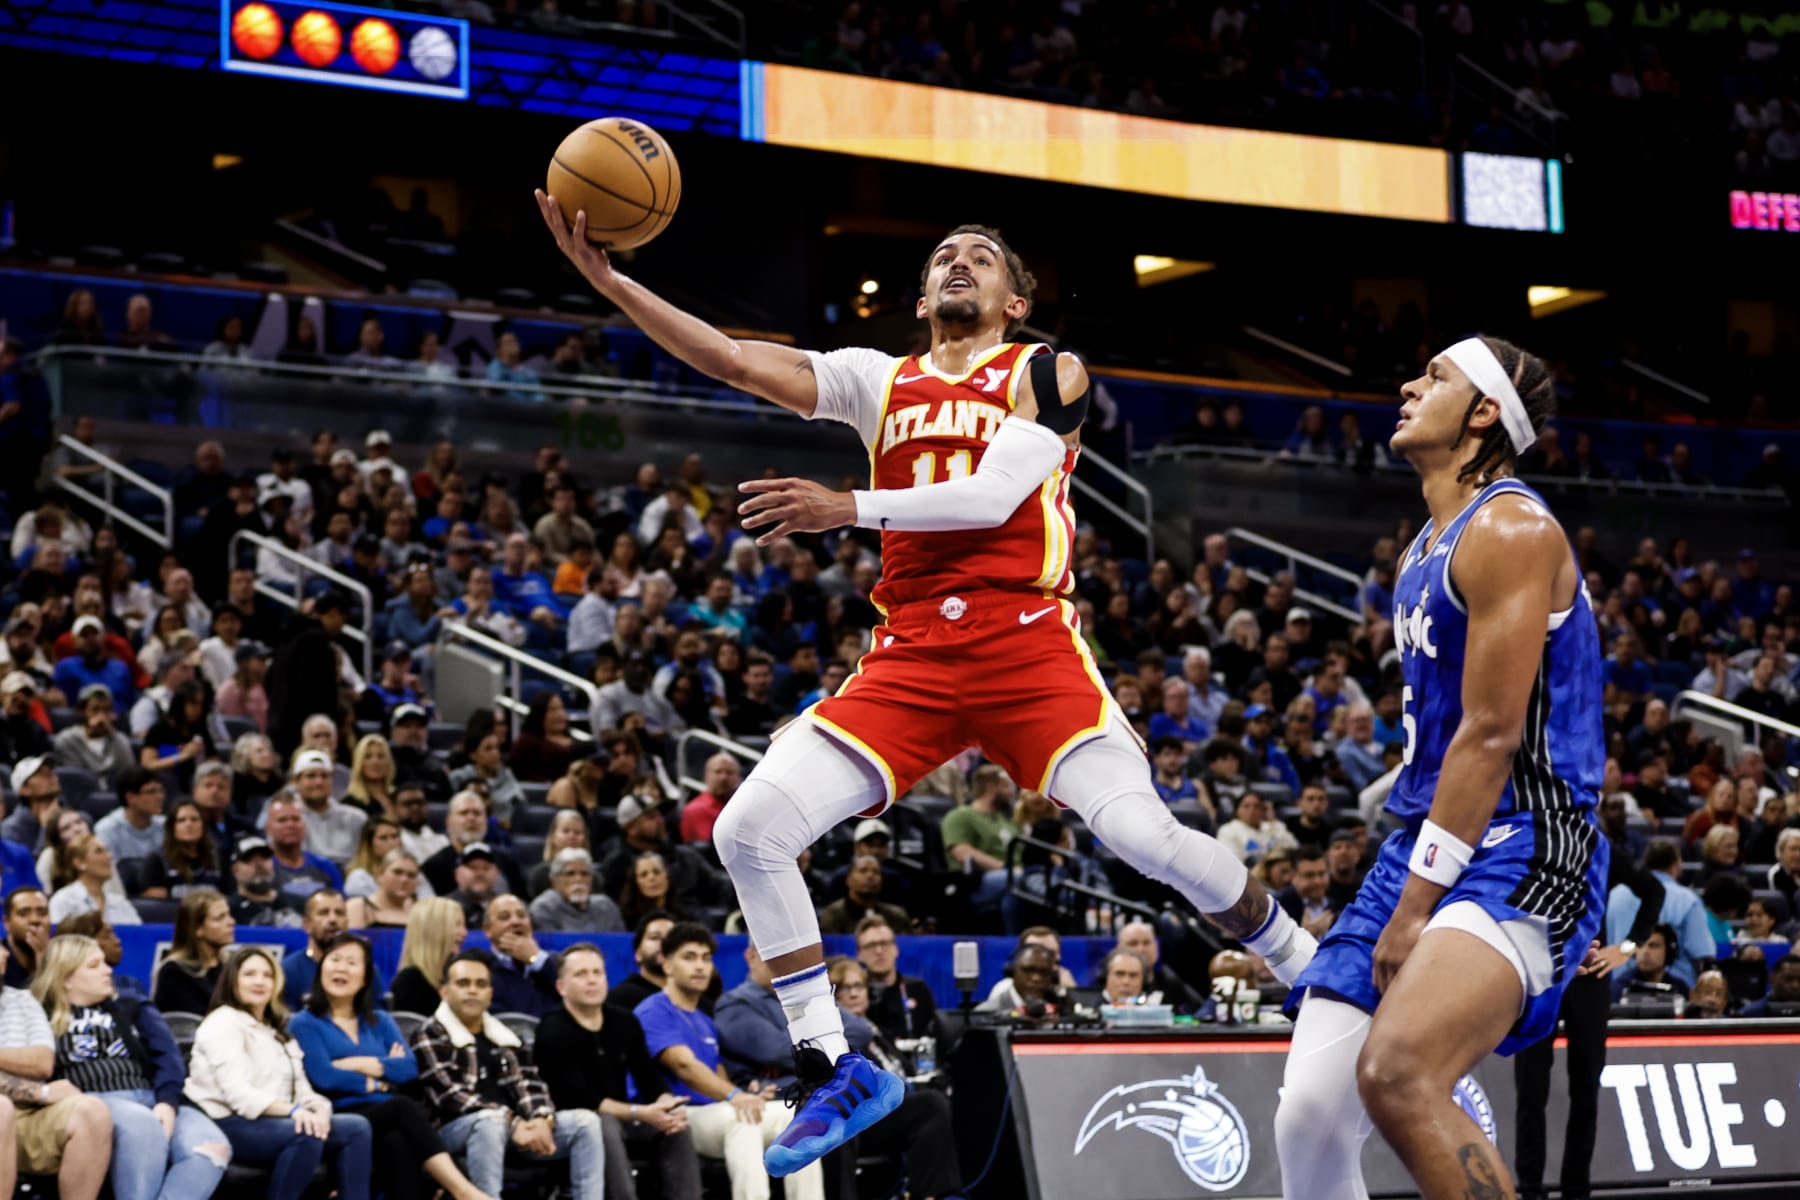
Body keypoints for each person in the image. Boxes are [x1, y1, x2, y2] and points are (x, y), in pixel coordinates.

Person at [538, 208, 1315, 1171]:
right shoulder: (879, 379)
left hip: (1025, 641)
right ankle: (836, 1064)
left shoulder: (1045, 370)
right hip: (911, 653)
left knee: (1139, 837)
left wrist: (846, 506)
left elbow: (991, 499)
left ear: (1014, 301)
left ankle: (1299, 961)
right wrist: (615, 286)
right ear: (920, 297)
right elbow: (736, 359)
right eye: (944, 256)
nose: (960, 263)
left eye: (983, 258)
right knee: (747, 831)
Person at [1275, 337, 1608, 1200]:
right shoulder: (1425, 542)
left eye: (1435, 378)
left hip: (1526, 843)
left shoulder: (1509, 526)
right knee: (1308, 1112)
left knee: (1399, 1073)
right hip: (1427, 837)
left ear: (1485, 412)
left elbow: (1493, 735)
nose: (1408, 386)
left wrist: (1417, 903)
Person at [719, 944, 962, 1200]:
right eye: (769, 952)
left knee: (930, 1105)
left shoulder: (807, 993)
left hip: (835, 1089)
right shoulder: (736, 1004)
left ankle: (932, 1196)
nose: (780, 958)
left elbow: (859, 1030)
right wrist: (822, 1041)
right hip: (792, 1100)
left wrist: (808, 1047)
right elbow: (775, 1049)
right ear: (750, 956)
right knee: (833, 1119)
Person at [288, 934, 496, 1200]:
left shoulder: (380, 1020)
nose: (341, 968)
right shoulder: (304, 1023)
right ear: (321, 969)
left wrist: (358, 1064)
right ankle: (463, 1190)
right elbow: (325, 1077)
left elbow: (409, 1068)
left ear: (365, 976)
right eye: (335, 960)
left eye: (351, 962)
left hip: (384, 1117)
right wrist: (381, 1077)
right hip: (337, 1113)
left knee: (397, 1142)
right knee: (403, 1107)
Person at [31, 933, 231, 1200]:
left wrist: (167, 1103)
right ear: (66, 978)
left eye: (104, 962)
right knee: (142, 1124)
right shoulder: (39, 1014)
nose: (107, 971)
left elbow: (168, 1057)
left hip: (152, 1098)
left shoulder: (130, 1003)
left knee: (213, 1149)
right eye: (94, 966)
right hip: (95, 1102)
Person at [632, 923, 824, 1200]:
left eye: (705, 958)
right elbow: (684, 1066)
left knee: (793, 1118)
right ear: (666, 964)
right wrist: (735, 1096)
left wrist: (750, 1094)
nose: (699, 966)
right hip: (673, 1117)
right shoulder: (654, 1009)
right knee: (742, 1119)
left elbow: (717, 1073)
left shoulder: (704, 1019)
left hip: (713, 1112)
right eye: (689, 957)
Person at [411, 948, 606, 1198]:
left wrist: (541, 1120)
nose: (473, 990)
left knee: (585, 1122)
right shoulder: (430, 1033)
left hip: (516, 1130)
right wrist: (512, 1122)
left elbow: (531, 1083)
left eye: (480, 984)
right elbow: (450, 1096)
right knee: (489, 1122)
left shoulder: (505, 1035)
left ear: (490, 994)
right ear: (445, 992)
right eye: (463, 983)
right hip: (454, 1132)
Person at [184, 946, 373, 1200]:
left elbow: (302, 1089)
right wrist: (295, 1112)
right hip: (227, 1121)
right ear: (233, 981)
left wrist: (320, 1110)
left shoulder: (276, 1029)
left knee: (357, 1127)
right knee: (306, 1133)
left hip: (276, 1119)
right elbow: (239, 1096)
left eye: (267, 975)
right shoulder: (222, 1022)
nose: (260, 981)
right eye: (250, 974)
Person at [535, 943, 702, 1200]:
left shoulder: (624, 1021)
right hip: (573, 1125)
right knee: (603, 1123)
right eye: (581, 974)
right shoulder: (552, 1029)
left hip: (625, 1117)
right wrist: (641, 1112)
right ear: (561, 987)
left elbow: (649, 1077)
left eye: (597, 973)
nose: (592, 981)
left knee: (676, 1125)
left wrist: (666, 1103)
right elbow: (578, 1099)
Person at [0, 938, 116, 1200]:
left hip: (28, 1116)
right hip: (11, 1106)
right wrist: (39, 1093)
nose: (5, 953)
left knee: (92, 1110)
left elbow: (41, 1061)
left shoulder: (22, 1000)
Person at [283, 889, 375, 1011]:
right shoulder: (288, 970)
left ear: (347, 923)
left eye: (339, 913)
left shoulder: (364, 969)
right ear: (306, 925)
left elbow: (376, 1018)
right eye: (323, 912)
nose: (333, 919)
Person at [151, 891, 235, 1014]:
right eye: (220, 918)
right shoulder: (174, 972)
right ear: (197, 928)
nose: (231, 922)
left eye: (229, 915)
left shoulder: (230, 964)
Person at [479, 894, 561, 1016]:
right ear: (487, 930)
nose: (516, 922)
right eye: (504, 917)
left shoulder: (554, 962)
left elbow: (573, 997)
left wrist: (536, 959)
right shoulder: (481, 967)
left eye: (521, 915)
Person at [391, 897, 467, 1015]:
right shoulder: (409, 982)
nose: (464, 933)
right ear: (434, 930)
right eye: (457, 925)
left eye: (464, 926)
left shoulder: (454, 975)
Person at [138, 800, 225, 899]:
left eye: (194, 819)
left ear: (204, 826)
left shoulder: (217, 858)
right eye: (181, 820)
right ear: (172, 828)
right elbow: (158, 908)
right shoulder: (156, 860)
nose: (188, 824)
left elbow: (228, 898)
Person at [53, 683, 134, 785]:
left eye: (106, 710)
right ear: (82, 711)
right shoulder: (67, 739)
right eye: (95, 710)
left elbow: (129, 774)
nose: (101, 716)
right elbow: (73, 778)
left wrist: (113, 736)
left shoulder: (120, 740)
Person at [49, 835, 141, 925]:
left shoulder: (121, 903)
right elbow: (60, 938)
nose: (109, 857)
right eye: (99, 851)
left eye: (107, 851)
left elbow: (139, 935)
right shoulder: (63, 901)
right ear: (80, 862)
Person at [531, 848, 625, 933]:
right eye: (570, 873)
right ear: (554, 881)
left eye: (584, 873)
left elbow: (622, 945)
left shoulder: (606, 907)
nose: (578, 879)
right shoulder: (543, 908)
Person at [93, 765, 166, 869]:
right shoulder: (106, 830)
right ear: (130, 797)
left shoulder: (166, 824)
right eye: (151, 792)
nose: (160, 797)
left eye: (161, 791)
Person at [817, 856, 911, 934]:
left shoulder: (897, 916)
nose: (870, 876)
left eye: (876, 872)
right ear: (848, 880)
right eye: (863, 871)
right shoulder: (833, 915)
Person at [611, 911, 675, 1014]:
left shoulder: (693, 999)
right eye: (654, 938)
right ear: (637, 954)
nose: (664, 943)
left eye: (671, 938)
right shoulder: (618, 999)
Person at [347, 848, 424, 929]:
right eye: (397, 872)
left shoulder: (422, 912)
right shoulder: (359, 907)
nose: (404, 879)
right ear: (380, 874)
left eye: (411, 875)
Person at [3, 887, 50, 986]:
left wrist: (44, 956)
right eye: (23, 913)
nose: (35, 920)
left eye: (42, 913)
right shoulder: (1, 958)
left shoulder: (62, 956)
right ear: (7, 923)